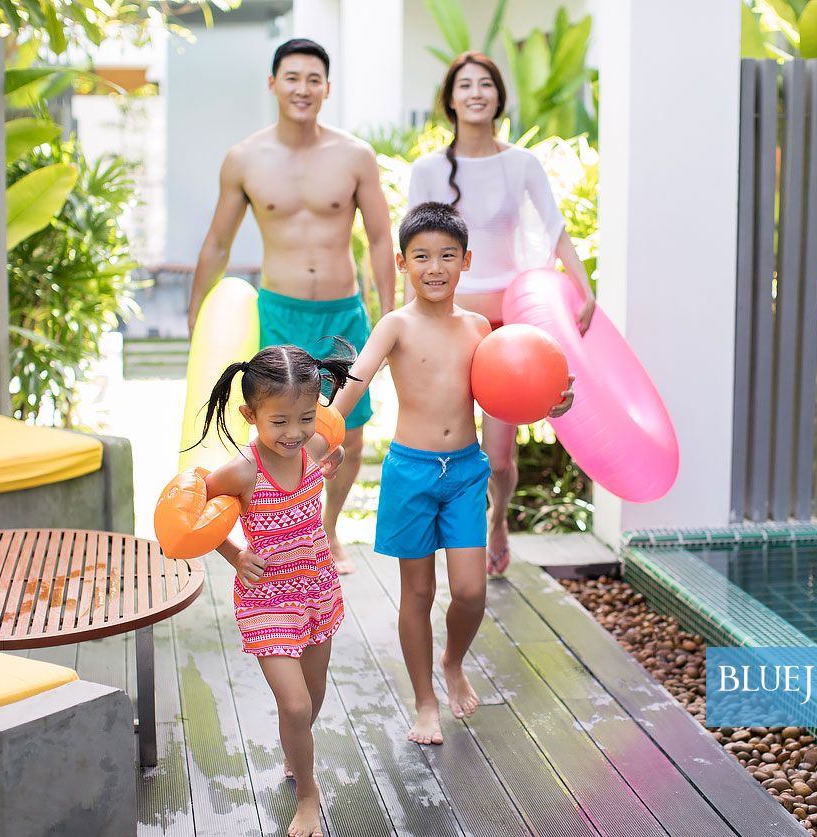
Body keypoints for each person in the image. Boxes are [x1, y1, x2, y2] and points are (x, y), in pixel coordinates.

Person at [325, 202, 574, 745]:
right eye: (421, 257)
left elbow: (507, 387)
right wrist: (325, 435)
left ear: (466, 261)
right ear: (401, 262)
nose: (434, 267)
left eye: (446, 256)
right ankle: (424, 702)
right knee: (416, 594)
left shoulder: (480, 327)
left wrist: (547, 402)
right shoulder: (395, 325)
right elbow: (355, 383)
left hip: (464, 472)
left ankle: (453, 660)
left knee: (469, 592)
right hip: (410, 472)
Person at [188, 37, 395, 575]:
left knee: (348, 429)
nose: (302, 88)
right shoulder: (244, 158)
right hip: (278, 312)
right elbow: (217, 243)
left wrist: (393, 317)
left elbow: (378, 239)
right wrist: (198, 318)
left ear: (326, 88)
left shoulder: (355, 156)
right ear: (273, 84)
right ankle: (286, 531)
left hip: (343, 312)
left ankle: (326, 531)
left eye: (313, 79)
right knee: (282, 427)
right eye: (292, 77)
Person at [407, 51, 596, 576]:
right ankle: (450, 537)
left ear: (498, 96)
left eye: (485, 84)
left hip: (508, 332)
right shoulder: (428, 170)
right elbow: (414, 250)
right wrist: (407, 325)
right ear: (450, 99)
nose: (475, 92)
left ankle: (498, 518)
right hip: (449, 327)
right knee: (447, 442)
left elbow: (555, 229)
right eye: (464, 85)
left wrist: (583, 287)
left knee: (501, 457)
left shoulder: (522, 164)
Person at [194, 341, 356, 837]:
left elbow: (333, 453)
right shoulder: (242, 471)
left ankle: (296, 751)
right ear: (250, 414)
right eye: (279, 421)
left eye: (305, 417)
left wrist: (330, 461)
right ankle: (308, 795)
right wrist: (235, 554)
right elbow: (192, 514)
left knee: (315, 689)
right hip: (268, 598)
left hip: (317, 585)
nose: (293, 432)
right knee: (295, 704)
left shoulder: (312, 446)